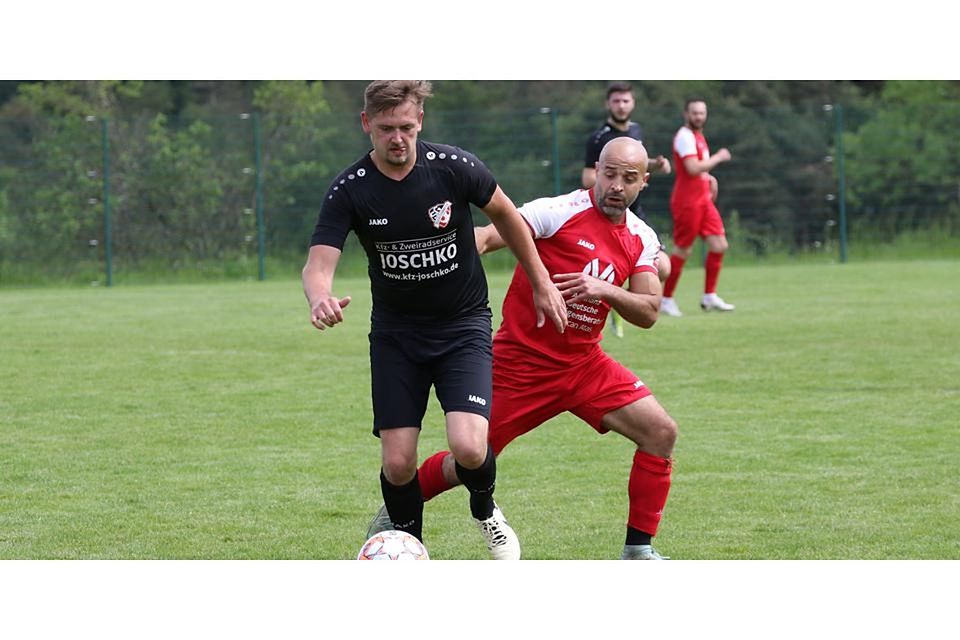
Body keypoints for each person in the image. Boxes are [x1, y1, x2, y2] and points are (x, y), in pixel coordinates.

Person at [370, 138, 678, 560]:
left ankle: (639, 551)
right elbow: (483, 238)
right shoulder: (557, 211)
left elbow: (649, 311)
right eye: (609, 174)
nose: (616, 186)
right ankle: (397, 510)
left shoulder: (641, 238)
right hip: (519, 367)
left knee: (661, 432)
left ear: (644, 182)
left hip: (586, 367)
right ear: (596, 171)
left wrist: (603, 288)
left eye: (628, 178)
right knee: (468, 459)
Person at [303, 80, 568, 560]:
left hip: (462, 327)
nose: (397, 138)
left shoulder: (455, 168)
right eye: (386, 129)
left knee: (469, 447)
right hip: (396, 337)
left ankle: (486, 511)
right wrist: (318, 297)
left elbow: (508, 218)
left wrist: (543, 281)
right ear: (367, 125)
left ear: (420, 120)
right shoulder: (350, 190)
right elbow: (318, 264)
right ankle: (409, 548)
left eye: (406, 126)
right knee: (399, 461)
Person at [583, 82, 671, 336]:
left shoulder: (637, 130)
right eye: (616, 101)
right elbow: (589, 177)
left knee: (664, 267)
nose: (621, 106)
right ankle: (612, 305)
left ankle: (616, 304)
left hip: (635, 214)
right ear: (607, 104)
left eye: (626, 101)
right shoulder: (598, 138)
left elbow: (639, 166)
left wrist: (654, 165)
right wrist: (612, 179)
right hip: (607, 213)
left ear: (633, 104)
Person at [660, 98, 734, 317]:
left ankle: (709, 296)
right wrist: (718, 158)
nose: (699, 117)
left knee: (719, 244)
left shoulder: (698, 137)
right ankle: (666, 298)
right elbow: (692, 168)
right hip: (687, 201)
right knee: (683, 250)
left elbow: (699, 169)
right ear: (686, 114)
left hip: (703, 199)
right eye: (694, 113)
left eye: (702, 113)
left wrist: (709, 178)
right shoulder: (684, 136)